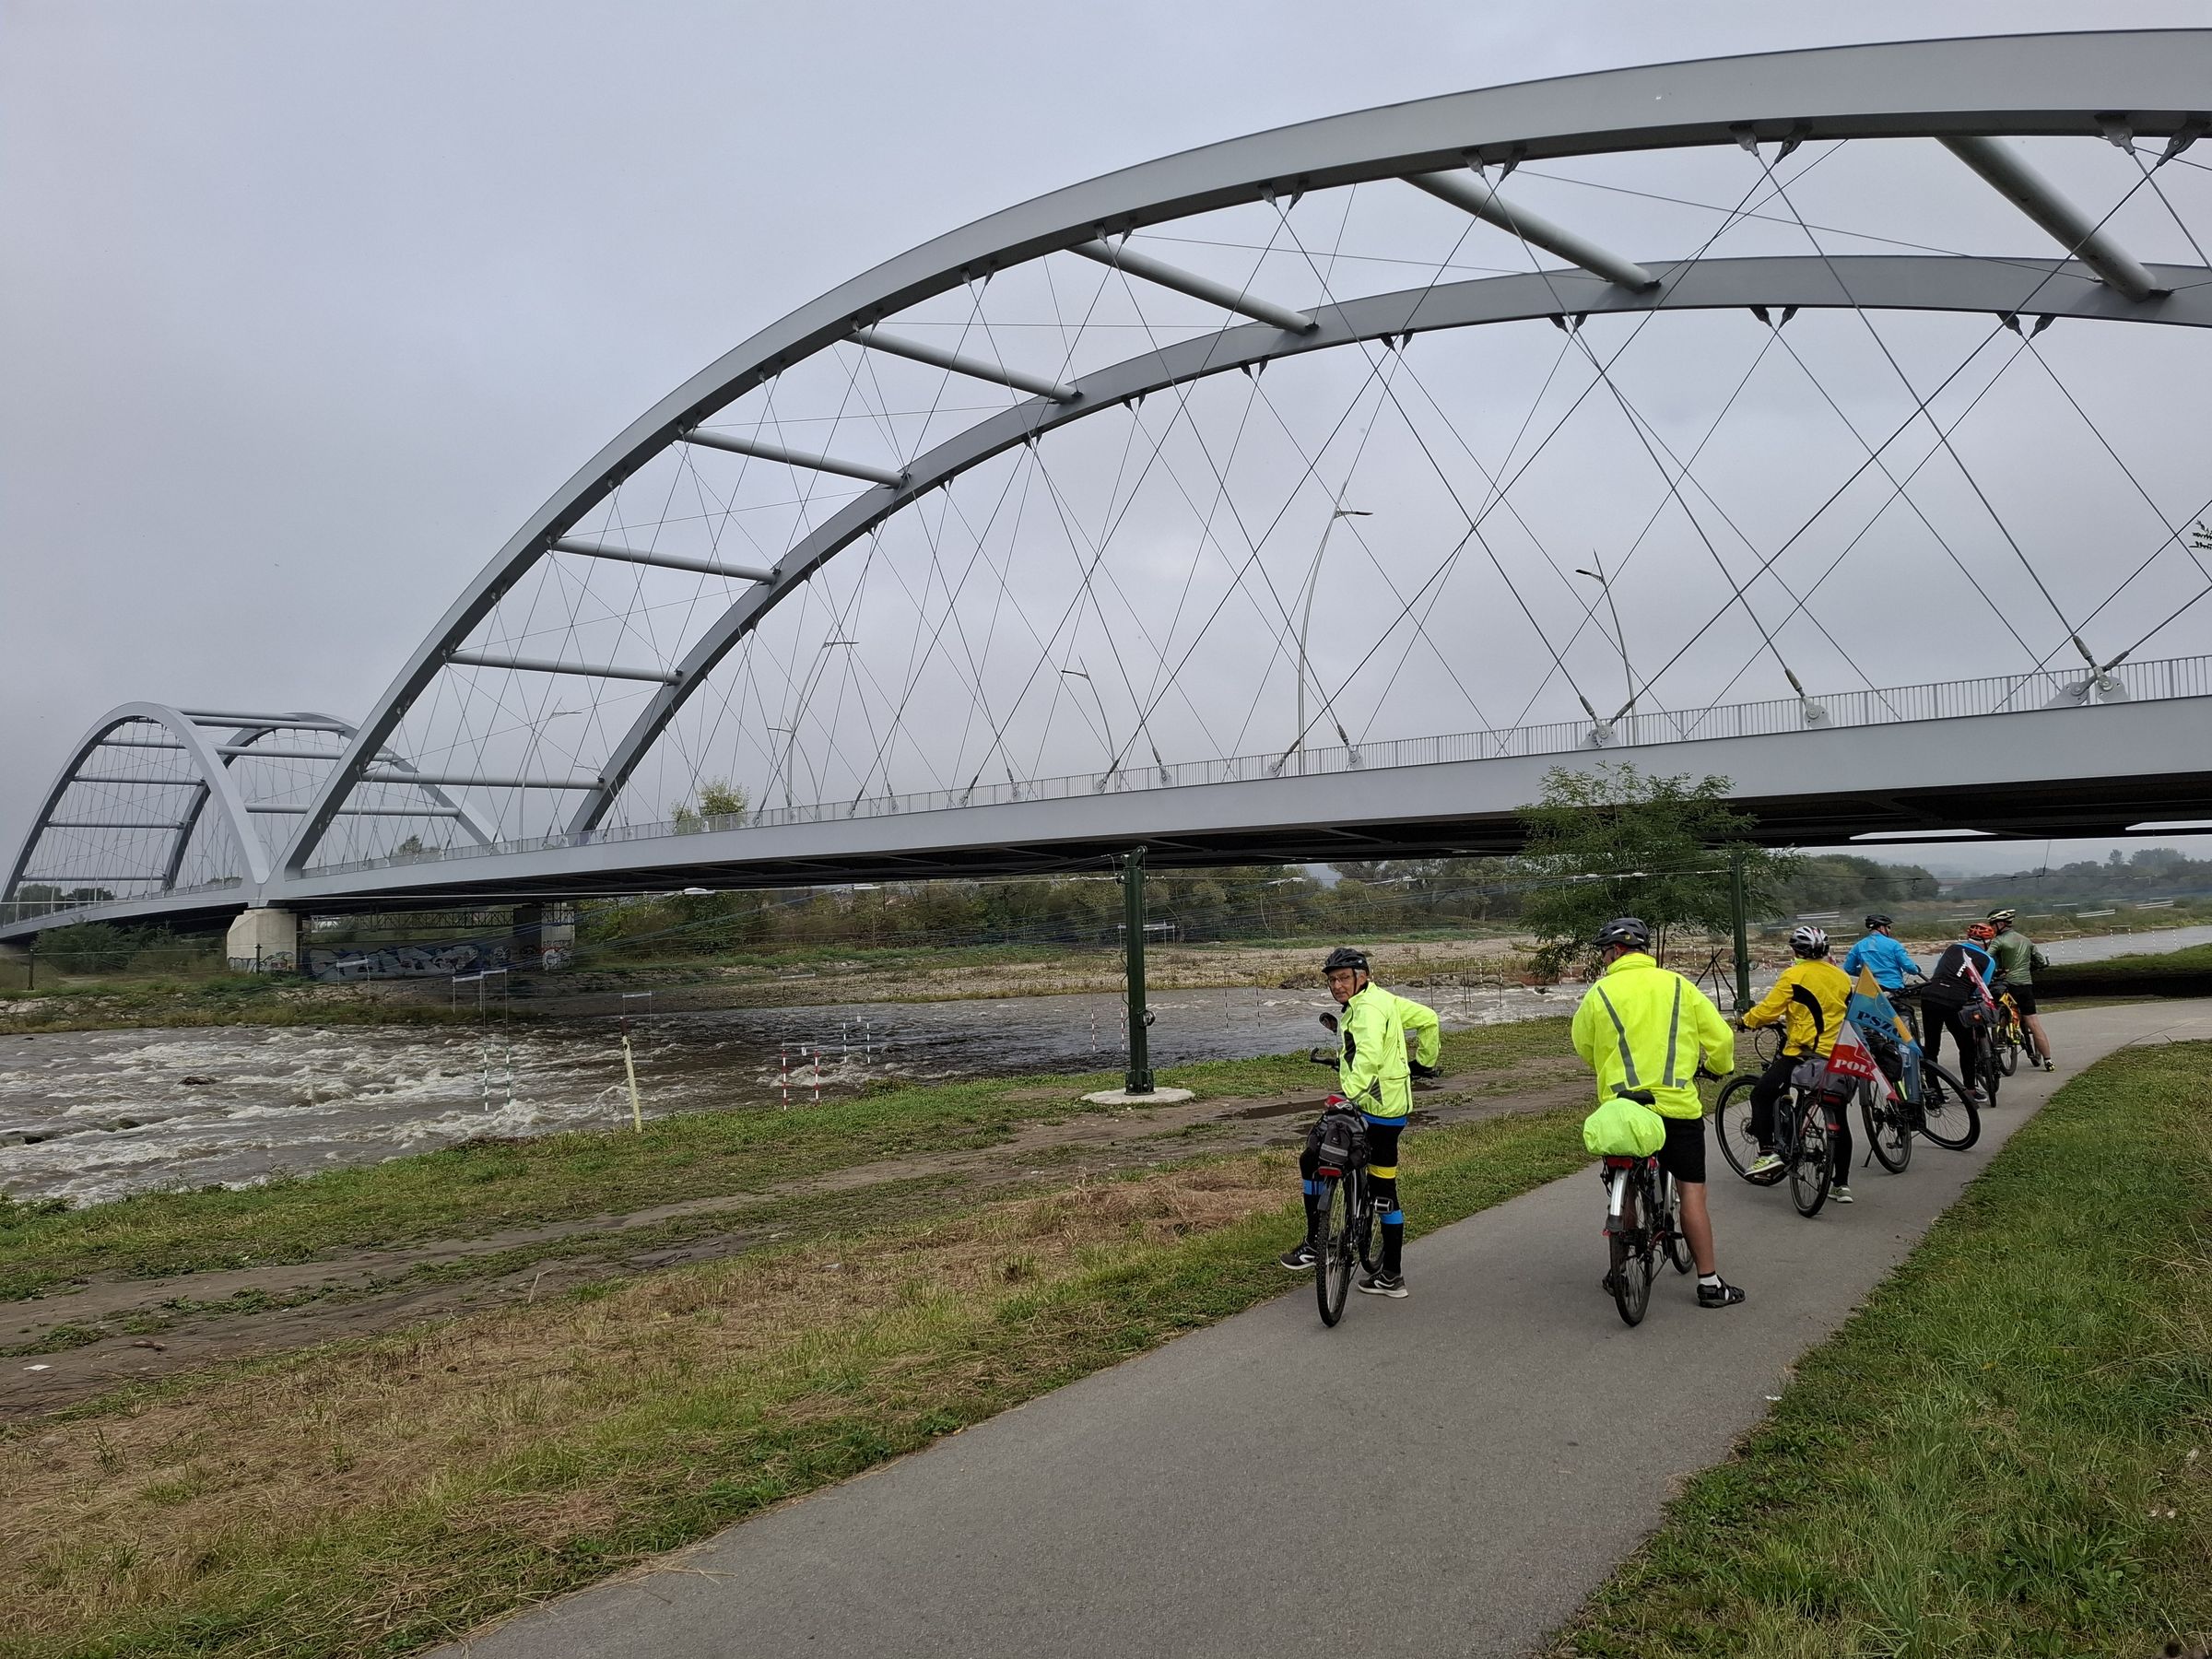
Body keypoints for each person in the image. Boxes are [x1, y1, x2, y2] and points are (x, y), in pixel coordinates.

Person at [1570, 916, 1745, 1309]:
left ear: (1616, 951)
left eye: (1604, 953)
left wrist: (1608, 1067)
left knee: (1627, 1183)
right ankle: (1710, 1283)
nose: (1604, 959)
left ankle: (1622, 1264)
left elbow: (1584, 1044)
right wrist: (1719, 1066)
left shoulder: (1599, 993)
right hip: (1678, 1107)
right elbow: (1721, 1038)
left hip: (1625, 1110)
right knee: (1691, 1192)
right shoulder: (1679, 986)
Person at [1278, 947, 1440, 1298]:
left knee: (1313, 1159)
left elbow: (1366, 1056)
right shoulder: (1385, 1000)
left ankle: (1315, 1243)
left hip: (1370, 1106)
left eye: (1343, 978)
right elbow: (1429, 1019)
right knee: (1384, 1188)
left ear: (1361, 977)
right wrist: (1424, 1063)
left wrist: (1347, 1095)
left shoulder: (1366, 1010)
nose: (1337, 986)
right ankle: (1391, 1274)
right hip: (1393, 1110)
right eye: (1332, 980)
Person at [1737, 925, 1858, 1200]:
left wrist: (1746, 1021)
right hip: (1836, 1055)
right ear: (1825, 950)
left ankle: (1768, 1153)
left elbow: (1768, 1010)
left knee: (1761, 1094)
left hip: (1803, 1052)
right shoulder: (1841, 977)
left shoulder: (1793, 975)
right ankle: (1841, 1185)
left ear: (1795, 951)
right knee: (1839, 1117)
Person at [1918, 922, 1998, 1100]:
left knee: (1932, 1047)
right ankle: (1970, 1090)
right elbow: (1981, 987)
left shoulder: (1952, 948)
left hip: (1930, 995)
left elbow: (1940, 970)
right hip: (1955, 1001)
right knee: (1966, 1046)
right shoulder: (1988, 960)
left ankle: (1934, 1092)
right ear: (1988, 942)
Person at [1984, 908, 2055, 1070]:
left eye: (1992, 924)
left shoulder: (1998, 941)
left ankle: (2001, 1036)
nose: (1991, 928)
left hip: (2007, 985)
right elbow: (2040, 962)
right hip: (2025, 986)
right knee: (2034, 1023)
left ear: (2001, 924)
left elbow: (1986, 959)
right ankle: (2048, 1060)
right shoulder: (2026, 940)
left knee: (2003, 1009)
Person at [1842, 913, 1922, 993]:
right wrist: (1916, 970)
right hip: (1893, 987)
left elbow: (1848, 968)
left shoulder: (1858, 946)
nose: (1889, 930)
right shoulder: (1894, 944)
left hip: (1870, 989)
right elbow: (1909, 967)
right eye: (1888, 927)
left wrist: (1866, 973)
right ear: (1881, 928)